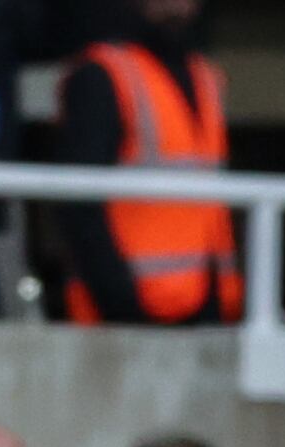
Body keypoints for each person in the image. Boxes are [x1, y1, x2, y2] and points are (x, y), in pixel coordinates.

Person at [56, 0, 243, 329]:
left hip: (207, 308)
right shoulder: (103, 74)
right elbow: (79, 206)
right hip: (127, 313)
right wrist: (120, 302)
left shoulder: (206, 78)